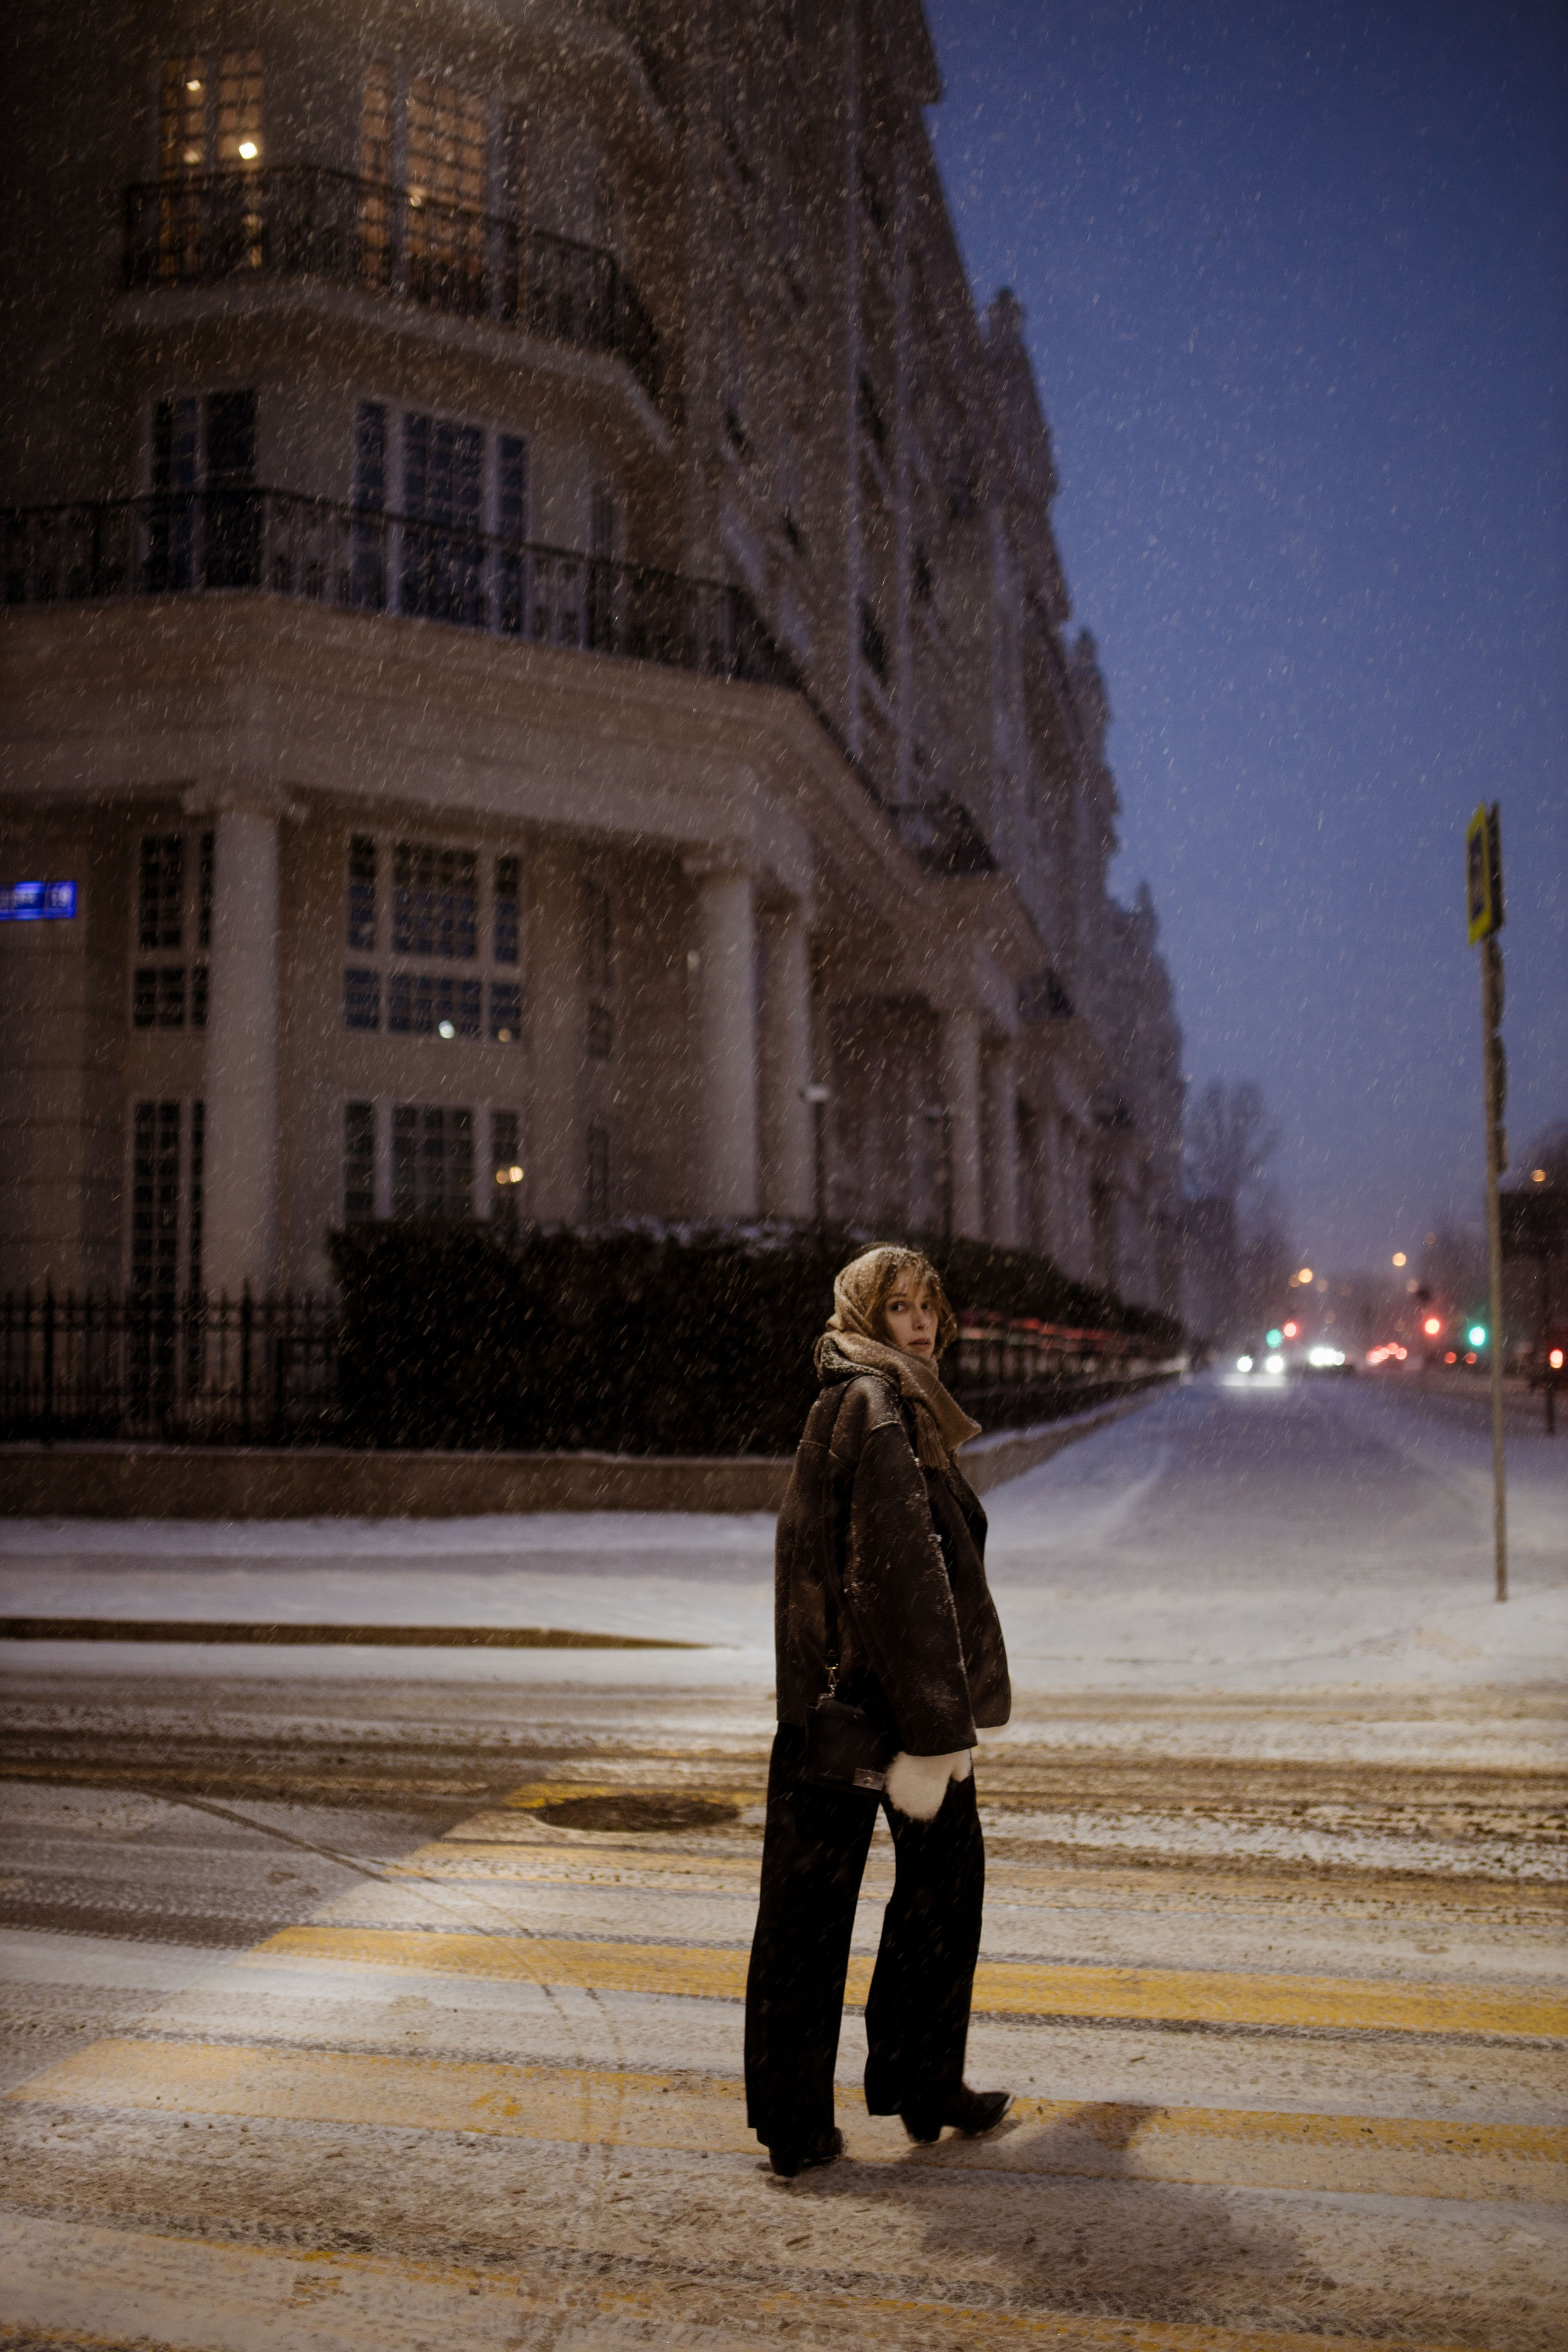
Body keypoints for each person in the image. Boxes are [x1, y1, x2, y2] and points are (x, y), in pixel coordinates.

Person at [744, 1243, 1012, 2178]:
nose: (922, 1324)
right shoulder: (878, 1406)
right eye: (900, 1308)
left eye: (929, 1307)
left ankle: (891, 2086)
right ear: (866, 1318)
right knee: (883, 1902)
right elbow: (900, 1582)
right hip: (877, 1708)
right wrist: (938, 1733)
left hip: (848, 1696)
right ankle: (854, 2099)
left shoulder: (880, 1405)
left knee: (831, 1910)